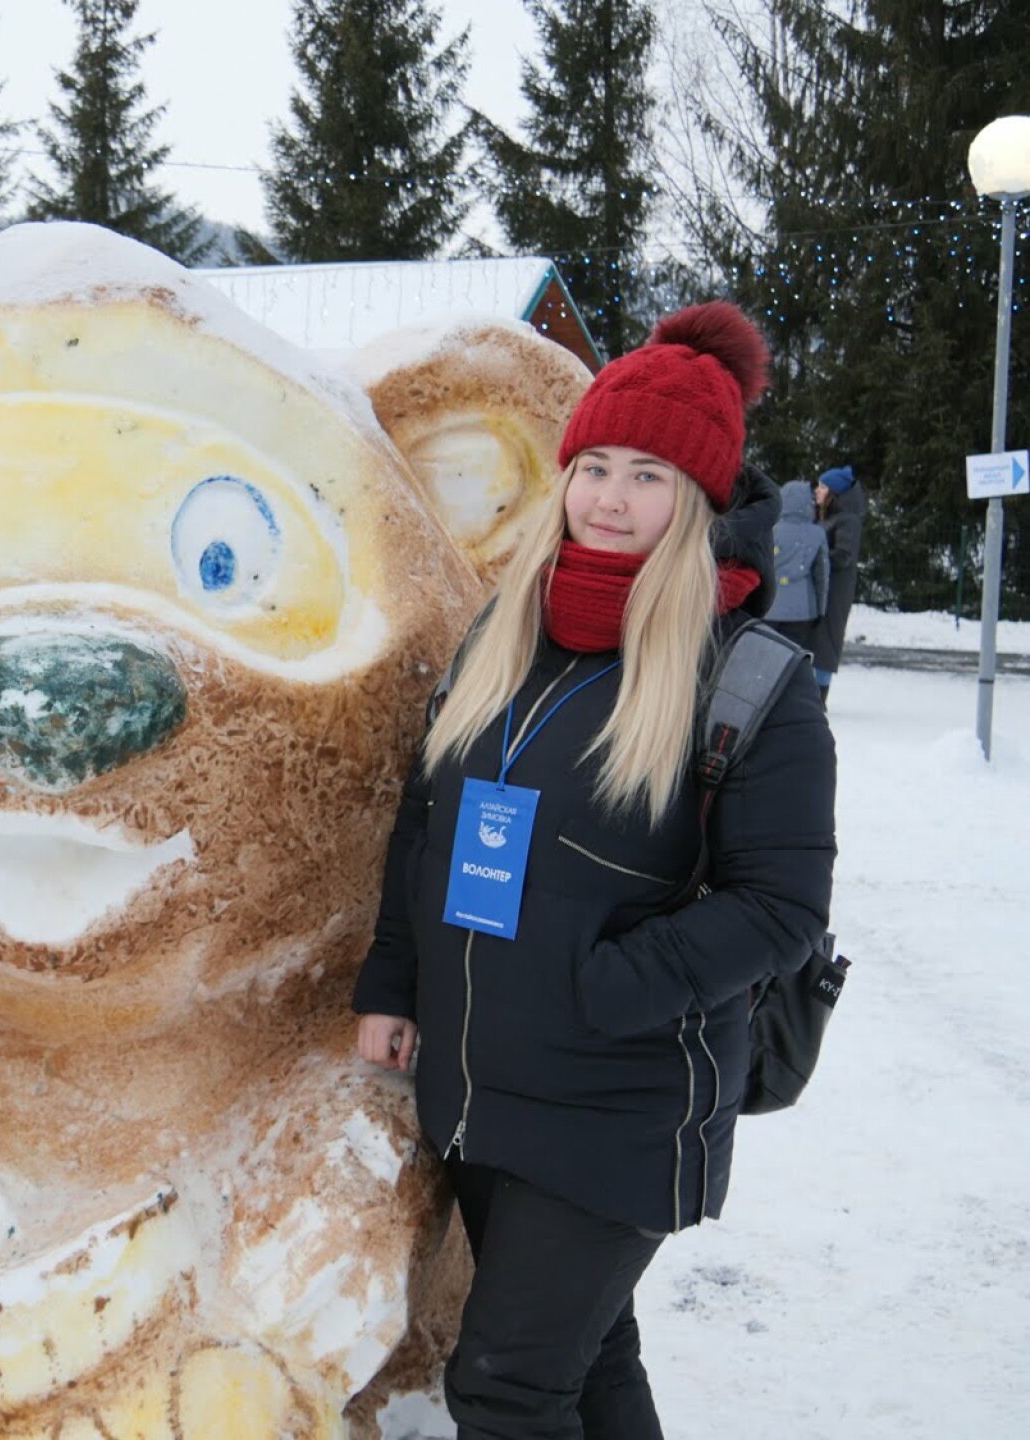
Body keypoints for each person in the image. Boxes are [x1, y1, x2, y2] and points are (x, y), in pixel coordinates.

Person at [353, 302, 836, 1440]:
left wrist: (602, 987)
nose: (611, 499)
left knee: (504, 1394)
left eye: (649, 476)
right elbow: (430, 818)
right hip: (477, 1080)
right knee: (592, 1359)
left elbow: (781, 905)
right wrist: (393, 982)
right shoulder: (504, 637)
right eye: (597, 468)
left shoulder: (748, 680)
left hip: (616, 1104)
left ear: (696, 501)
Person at [809, 464, 864, 705]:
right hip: (820, 587)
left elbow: (844, 555)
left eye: (822, 487)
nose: (817, 491)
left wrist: (814, 557)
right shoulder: (823, 516)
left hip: (835, 592)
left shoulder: (847, 520)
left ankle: (820, 695)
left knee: (826, 642)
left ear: (834, 493)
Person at [762, 478, 829, 652]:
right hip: (802, 610)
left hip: (768, 607)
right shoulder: (817, 534)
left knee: (766, 657)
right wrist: (821, 610)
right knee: (793, 657)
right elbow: (821, 576)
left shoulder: (768, 530)